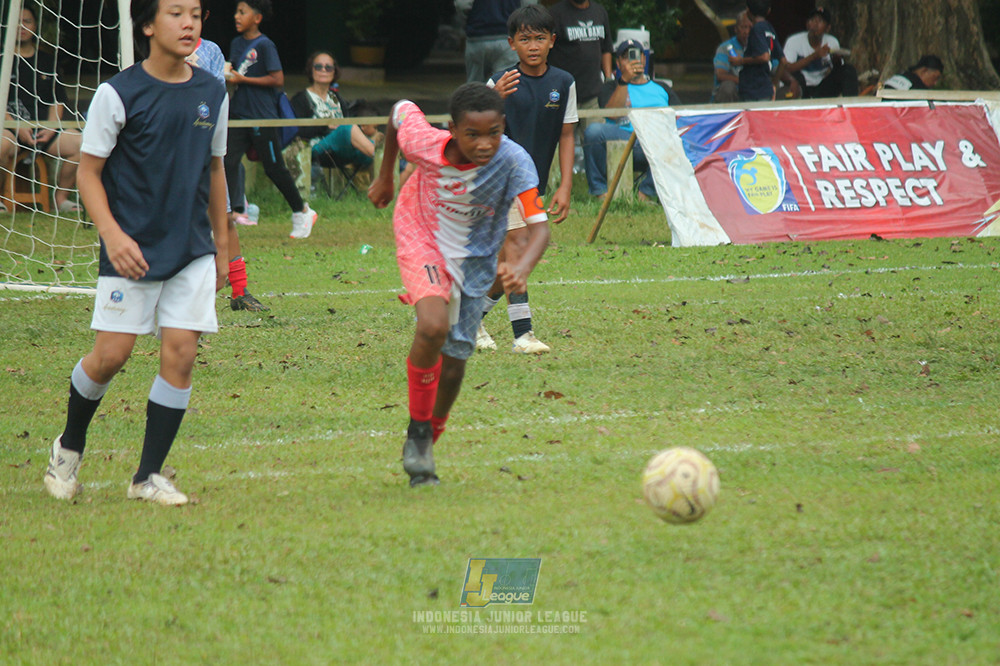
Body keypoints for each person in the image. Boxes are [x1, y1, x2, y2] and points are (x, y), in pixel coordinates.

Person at [43, 0, 228, 506]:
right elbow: (88, 173)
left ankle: (147, 476)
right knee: (111, 356)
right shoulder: (117, 93)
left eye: (195, 14)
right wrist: (112, 235)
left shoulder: (212, 91)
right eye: (176, 13)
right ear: (147, 25)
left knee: (181, 352)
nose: (188, 23)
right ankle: (68, 447)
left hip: (191, 247)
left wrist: (224, 245)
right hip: (132, 249)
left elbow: (215, 169)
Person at [367, 83, 550, 487]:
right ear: (452, 129)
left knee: (454, 363)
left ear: (503, 126)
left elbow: (540, 228)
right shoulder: (425, 143)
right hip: (422, 235)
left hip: (474, 260)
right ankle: (418, 431)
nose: (485, 144)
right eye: (473, 134)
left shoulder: (514, 161)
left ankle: (428, 436)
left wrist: (522, 267)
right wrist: (386, 177)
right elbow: (400, 110)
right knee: (432, 326)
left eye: (494, 133)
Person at [480, 3, 576, 354]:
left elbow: (567, 134)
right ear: (511, 44)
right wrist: (494, 99)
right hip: (498, 180)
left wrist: (565, 185)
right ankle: (523, 335)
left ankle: (468, 318)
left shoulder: (564, 82)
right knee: (519, 247)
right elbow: (474, 126)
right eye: (525, 39)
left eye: (539, 38)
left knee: (507, 263)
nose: (532, 46)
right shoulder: (500, 81)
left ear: (552, 40)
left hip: (533, 185)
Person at [186, 18, 268, 312]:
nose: (186, 22)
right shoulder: (161, 53)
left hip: (206, 148)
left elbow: (216, 96)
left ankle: (240, 290)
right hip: (174, 152)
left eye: (194, 14)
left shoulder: (210, 51)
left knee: (225, 217)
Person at [224, 0, 317, 239]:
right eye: (236, 11)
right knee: (227, 161)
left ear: (257, 18)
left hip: (262, 116)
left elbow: (277, 79)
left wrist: (242, 80)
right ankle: (233, 213)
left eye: (242, 12)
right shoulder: (235, 43)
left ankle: (302, 211)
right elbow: (235, 74)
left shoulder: (265, 45)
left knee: (274, 168)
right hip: (239, 114)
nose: (236, 16)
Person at [2, 4, 84, 213]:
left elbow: (58, 101)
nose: (21, 26)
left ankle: (60, 199)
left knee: (83, 144)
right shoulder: (3, 60)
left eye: (27, 21)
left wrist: (50, 127)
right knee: (0, 145)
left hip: (43, 130)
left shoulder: (48, 61)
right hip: (9, 128)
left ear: (35, 26)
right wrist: (17, 126)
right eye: (17, 22)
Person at [583, 39, 677, 202]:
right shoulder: (611, 87)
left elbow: (681, 117)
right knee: (593, 131)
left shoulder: (662, 87)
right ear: (618, 63)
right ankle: (601, 192)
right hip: (626, 139)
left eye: (636, 55)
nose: (632, 60)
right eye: (626, 57)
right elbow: (612, 114)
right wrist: (624, 81)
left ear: (644, 59)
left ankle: (646, 193)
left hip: (658, 141)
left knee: (679, 139)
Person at [290, 51, 382, 181]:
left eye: (328, 67)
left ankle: (387, 172)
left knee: (376, 143)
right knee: (346, 128)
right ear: (311, 70)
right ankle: (383, 158)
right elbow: (295, 131)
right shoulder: (300, 99)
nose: (323, 70)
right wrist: (324, 126)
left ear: (334, 72)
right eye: (318, 66)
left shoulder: (336, 97)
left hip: (343, 149)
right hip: (317, 149)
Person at [783, 7, 858, 98]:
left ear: (827, 28)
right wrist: (814, 56)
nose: (815, 24)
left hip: (821, 87)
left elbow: (836, 70)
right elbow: (787, 68)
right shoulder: (794, 41)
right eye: (812, 20)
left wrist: (836, 60)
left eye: (820, 21)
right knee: (796, 76)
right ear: (807, 24)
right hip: (801, 87)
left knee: (848, 70)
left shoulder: (832, 41)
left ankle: (851, 104)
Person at [457, 0, 529, 83]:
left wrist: (468, 21)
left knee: (475, 85)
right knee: (507, 83)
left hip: (477, 37)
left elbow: (462, 4)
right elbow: (528, 5)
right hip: (508, 38)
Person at [733, 0, 787, 102]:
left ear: (748, 11)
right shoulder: (769, 29)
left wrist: (740, 61)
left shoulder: (756, 29)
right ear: (768, 11)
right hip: (766, 88)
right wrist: (774, 84)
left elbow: (764, 57)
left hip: (753, 88)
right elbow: (783, 61)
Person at [712, 11, 752, 103]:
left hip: (752, 93)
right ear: (736, 29)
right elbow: (720, 75)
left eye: (750, 28)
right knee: (728, 87)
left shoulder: (759, 46)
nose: (747, 32)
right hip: (732, 94)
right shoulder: (725, 48)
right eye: (743, 27)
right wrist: (743, 82)